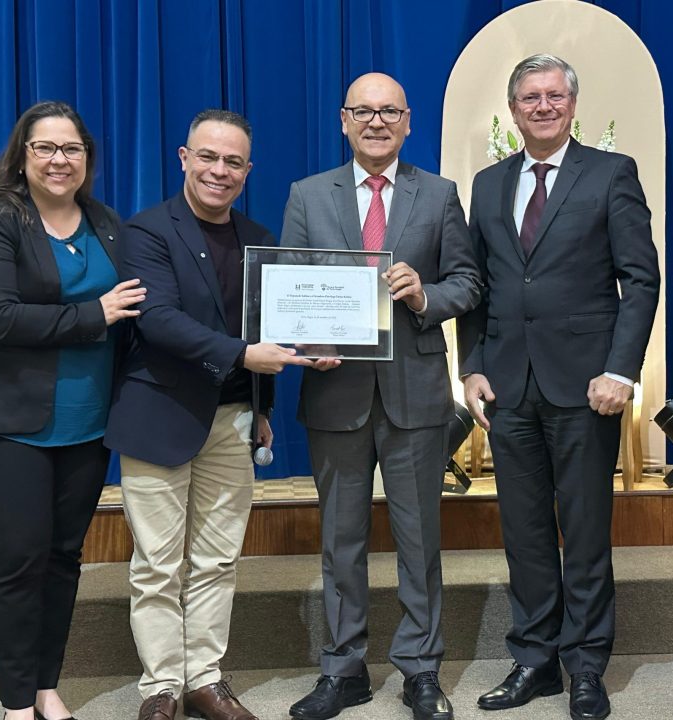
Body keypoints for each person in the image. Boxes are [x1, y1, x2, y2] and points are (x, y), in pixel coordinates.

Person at [458, 54, 660, 720]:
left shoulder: (610, 174)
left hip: (586, 388)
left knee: (585, 530)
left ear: (572, 105)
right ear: (513, 109)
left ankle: (585, 668)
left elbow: (641, 279)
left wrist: (622, 371)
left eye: (553, 96)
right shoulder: (487, 185)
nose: (541, 106)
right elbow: (476, 285)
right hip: (509, 387)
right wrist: (472, 367)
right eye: (528, 98)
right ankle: (534, 660)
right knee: (524, 534)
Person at [279, 72, 480, 720]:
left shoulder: (441, 194)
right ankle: (343, 672)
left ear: (408, 120)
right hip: (335, 392)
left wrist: (425, 296)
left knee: (419, 542)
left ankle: (421, 670)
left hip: (415, 394)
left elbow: (469, 282)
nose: (376, 121)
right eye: (363, 111)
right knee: (340, 543)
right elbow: (288, 288)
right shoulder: (307, 196)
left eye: (389, 110)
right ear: (343, 121)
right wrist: (306, 340)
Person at [104, 109, 313, 720]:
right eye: (209, 157)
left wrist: (265, 402)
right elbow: (160, 320)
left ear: (248, 171)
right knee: (158, 565)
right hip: (160, 417)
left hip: (234, 421)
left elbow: (269, 328)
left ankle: (205, 679)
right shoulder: (145, 231)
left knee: (219, 559)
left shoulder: (260, 239)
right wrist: (245, 354)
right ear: (184, 158)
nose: (219, 171)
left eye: (233, 162)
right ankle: (161, 687)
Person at [0, 101, 142, 720]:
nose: (59, 160)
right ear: (22, 156)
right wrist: (93, 315)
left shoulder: (105, 222)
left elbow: (135, 311)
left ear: (88, 158)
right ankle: (15, 701)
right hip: (9, 422)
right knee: (19, 557)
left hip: (87, 421)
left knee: (62, 557)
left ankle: (48, 684)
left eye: (71, 149)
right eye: (45, 148)